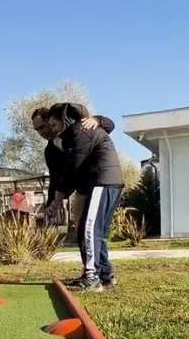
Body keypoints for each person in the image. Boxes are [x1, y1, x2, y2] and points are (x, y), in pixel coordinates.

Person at [41, 102, 123, 292]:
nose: (52, 130)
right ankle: (104, 274)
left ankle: (92, 277)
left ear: (64, 120)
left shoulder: (80, 131)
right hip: (106, 182)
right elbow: (61, 174)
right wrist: (56, 199)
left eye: (54, 125)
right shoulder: (69, 137)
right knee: (97, 232)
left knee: (89, 229)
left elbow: (73, 168)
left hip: (101, 181)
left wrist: (59, 196)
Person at [31, 105, 115, 237]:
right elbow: (55, 178)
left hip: (99, 181)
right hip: (81, 187)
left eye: (42, 127)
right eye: (37, 130)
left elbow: (109, 126)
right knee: (81, 225)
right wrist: (51, 204)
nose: (41, 132)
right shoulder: (50, 152)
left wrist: (97, 120)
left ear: (52, 120)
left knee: (93, 230)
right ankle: (88, 253)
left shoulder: (77, 131)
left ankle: (95, 254)